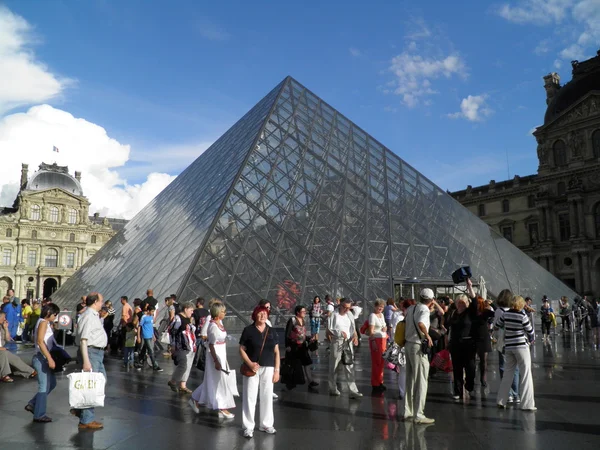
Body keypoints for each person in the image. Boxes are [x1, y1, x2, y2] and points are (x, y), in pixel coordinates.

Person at [239, 305, 280, 438]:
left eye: (265, 313)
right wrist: (250, 363)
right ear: (254, 315)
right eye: (260, 313)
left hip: (268, 367)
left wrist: (277, 370)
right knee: (250, 397)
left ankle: (266, 424)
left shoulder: (272, 331)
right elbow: (241, 349)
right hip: (253, 368)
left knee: (267, 396)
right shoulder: (248, 330)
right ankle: (248, 426)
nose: (263, 315)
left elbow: (277, 351)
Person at [190, 302, 235, 418]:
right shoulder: (213, 326)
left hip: (221, 353)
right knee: (218, 380)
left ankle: (196, 398)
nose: (225, 313)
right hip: (215, 354)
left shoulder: (218, 323)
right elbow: (211, 345)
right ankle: (222, 407)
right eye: (223, 311)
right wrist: (216, 361)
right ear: (218, 313)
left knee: (214, 380)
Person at [72, 292, 108, 430]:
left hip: (96, 353)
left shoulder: (92, 315)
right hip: (92, 353)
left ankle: (80, 411)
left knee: (99, 382)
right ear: (95, 302)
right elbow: (83, 340)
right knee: (91, 387)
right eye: (101, 301)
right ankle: (86, 419)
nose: (102, 303)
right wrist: (86, 361)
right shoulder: (88, 316)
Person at [495, 295, 536, 411]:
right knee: (526, 374)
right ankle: (527, 404)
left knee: (507, 373)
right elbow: (530, 330)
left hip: (509, 347)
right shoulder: (522, 315)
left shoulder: (505, 314)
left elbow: (497, 325)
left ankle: (501, 400)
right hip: (521, 347)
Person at [402, 288, 435, 424]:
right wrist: (427, 336)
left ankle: (407, 411)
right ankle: (419, 414)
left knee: (410, 379)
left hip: (408, 344)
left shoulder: (412, 308)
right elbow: (421, 323)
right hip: (418, 346)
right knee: (421, 380)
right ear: (431, 300)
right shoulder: (425, 310)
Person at [23, 303, 59, 422]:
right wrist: (49, 358)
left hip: (42, 357)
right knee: (44, 387)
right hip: (42, 358)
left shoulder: (43, 322)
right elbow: (39, 341)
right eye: (55, 314)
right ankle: (39, 414)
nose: (55, 317)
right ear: (49, 313)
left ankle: (33, 403)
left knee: (52, 383)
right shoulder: (43, 322)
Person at [326, 297, 362, 399]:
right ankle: (333, 388)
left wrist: (355, 336)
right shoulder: (334, 315)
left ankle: (353, 390)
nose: (347, 310)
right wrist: (338, 333)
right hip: (337, 341)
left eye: (349, 308)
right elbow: (329, 329)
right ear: (340, 305)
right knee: (334, 366)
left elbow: (353, 327)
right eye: (345, 307)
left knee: (349, 365)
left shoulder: (349, 314)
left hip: (348, 342)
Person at [447, 291, 477, 400]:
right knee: (457, 369)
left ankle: (469, 386)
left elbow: (475, 302)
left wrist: (469, 287)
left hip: (468, 344)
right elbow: (449, 328)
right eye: (459, 302)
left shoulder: (470, 312)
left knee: (470, 368)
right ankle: (457, 390)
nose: (461, 304)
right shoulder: (453, 314)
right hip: (455, 345)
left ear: (467, 303)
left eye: (463, 302)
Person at [493, 289, 520, 403]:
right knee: (515, 369)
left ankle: (508, 393)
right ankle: (516, 394)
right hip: (515, 342)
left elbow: (495, 326)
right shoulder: (515, 310)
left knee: (504, 368)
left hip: (504, 343)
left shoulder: (499, 311)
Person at [283, 304, 318, 390]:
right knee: (292, 365)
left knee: (307, 363)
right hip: (293, 346)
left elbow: (302, 334)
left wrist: (309, 338)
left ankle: (310, 381)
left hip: (302, 346)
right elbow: (287, 334)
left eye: (305, 311)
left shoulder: (303, 320)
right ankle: (290, 382)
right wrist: (287, 345)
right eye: (303, 311)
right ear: (298, 312)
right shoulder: (292, 320)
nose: (304, 313)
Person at [167, 302, 196, 393]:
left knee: (186, 366)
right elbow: (172, 331)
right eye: (191, 310)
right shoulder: (178, 318)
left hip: (189, 346)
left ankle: (181, 385)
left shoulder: (188, 319)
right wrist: (173, 345)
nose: (192, 312)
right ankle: (173, 381)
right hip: (181, 346)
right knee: (183, 365)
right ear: (185, 309)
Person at [0, 310, 36, 382]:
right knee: (4, 353)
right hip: (1, 350)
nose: (5, 320)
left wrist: (6, 328)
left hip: (2, 349)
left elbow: (7, 339)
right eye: (3, 318)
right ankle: (4, 375)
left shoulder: (1, 327)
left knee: (15, 358)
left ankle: (30, 372)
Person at [473, 297, 494, 389]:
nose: (477, 304)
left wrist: (491, 304)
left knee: (483, 360)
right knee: (471, 359)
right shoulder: (472, 312)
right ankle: (471, 377)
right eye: (476, 303)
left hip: (484, 338)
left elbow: (496, 312)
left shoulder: (485, 312)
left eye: (479, 303)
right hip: (473, 337)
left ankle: (482, 379)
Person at [369, 298, 388, 392]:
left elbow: (384, 325)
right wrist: (373, 342)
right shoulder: (372, 316)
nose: (380, 308)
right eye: (379, 306)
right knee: (376, 362)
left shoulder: (382, 315)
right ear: (375, 306)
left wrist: (385, 328)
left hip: (383, 339)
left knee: (381, 362)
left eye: (382, 307)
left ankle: (380, 381)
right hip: (376, 339)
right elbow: (371, 331)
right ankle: (375, 383)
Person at [136, 306, 163, 372]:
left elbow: (151, 327)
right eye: (152, 311)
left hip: (150, 335)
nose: (153, 313)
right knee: (151, 350)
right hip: (145, 336)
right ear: (148, 311)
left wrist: (153, 335)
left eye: (153, 311)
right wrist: (138, 336)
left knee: (143, 349)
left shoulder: (151, 317)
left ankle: (139, 362)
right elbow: (139, 326)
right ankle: (155, 365)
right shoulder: (144, 317)